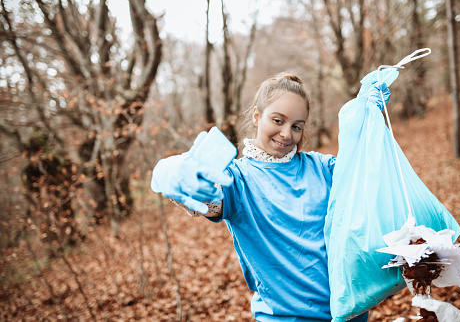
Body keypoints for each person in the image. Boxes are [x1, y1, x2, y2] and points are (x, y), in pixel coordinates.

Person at [151, 72, 391, 322]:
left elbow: (371, 179)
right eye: (278, 120)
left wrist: (370, 123)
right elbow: (207, 200)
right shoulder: (237, 180)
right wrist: (168, 172)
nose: (287, 134)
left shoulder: (323, 168)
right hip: (286, 318)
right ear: (257, 116)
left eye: (296, 126)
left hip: (351, 313)